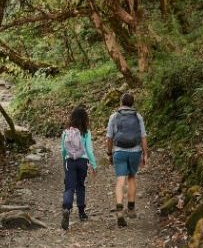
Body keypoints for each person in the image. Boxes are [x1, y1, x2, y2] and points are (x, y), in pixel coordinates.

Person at [106, 92, 148, 227]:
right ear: (132, 103)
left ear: (121, 102)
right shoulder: (138, 116)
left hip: (119, 151)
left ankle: (119, 208)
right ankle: (130, 208)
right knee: (131, 178)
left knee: (120, 180)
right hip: (135, 151)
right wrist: (145, 153)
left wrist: (109, 153)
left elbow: (109, 137)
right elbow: (143, 137)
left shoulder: (114, 116)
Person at [60, 106, 97, 230]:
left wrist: (64, 161)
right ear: (85, 119)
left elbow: (63, 150)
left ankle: (66, 208)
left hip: (69, 161)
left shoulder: (66, 132)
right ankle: (82, 212)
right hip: (82, 161)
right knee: (80, 185)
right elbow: (89, 150)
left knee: (69, 187)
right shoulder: (86, 132)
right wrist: (93, 165)